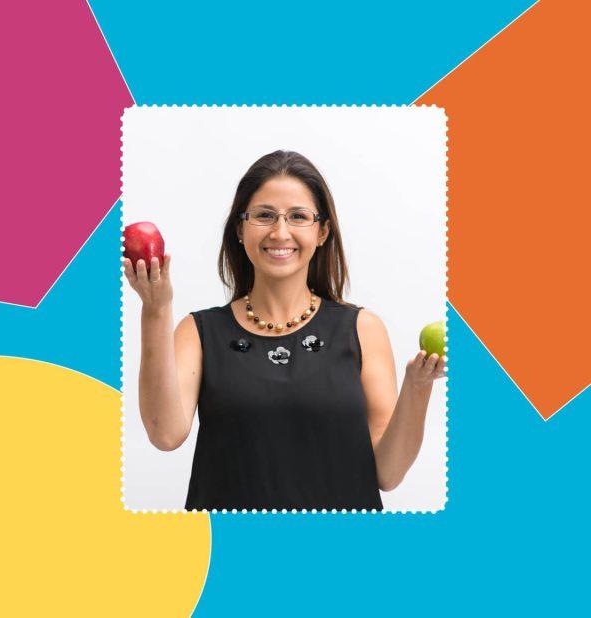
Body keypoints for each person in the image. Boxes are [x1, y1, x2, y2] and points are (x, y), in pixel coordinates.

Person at [123, 150, 446, 511]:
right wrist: (155, 309)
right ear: (240, 229)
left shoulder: (362, 329)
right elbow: (165, 433)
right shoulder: (198, 332)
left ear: (322, 231)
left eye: (298, 217)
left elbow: (387, 473)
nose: (280, 232)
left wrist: (418, 387)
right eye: (263, 216)